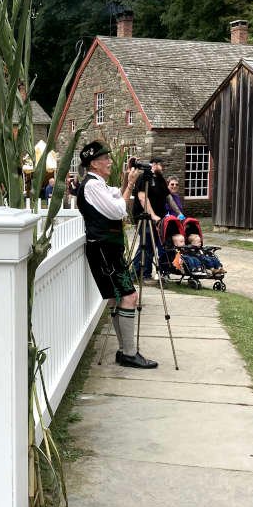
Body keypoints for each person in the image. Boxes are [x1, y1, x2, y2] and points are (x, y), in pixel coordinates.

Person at [77, 141, 157, 369]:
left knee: (117, 297)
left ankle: (125, 351)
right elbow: (118, 211)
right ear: (94, 163)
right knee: (130, 297)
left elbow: (114, 197)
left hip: (106, 248)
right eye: (105, 159)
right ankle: (129, 353)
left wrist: (125, 183)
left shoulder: (98, 185)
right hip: (104, 250)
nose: (110, 162)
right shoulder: (92, 186)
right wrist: (130, 185)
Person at [132, 157, 184, 282]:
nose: (163, 168)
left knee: (155, 243)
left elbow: (169, 198)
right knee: (147, 243)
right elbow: (142, 198)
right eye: (161, 165)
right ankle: (141, 273)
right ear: (154, 165)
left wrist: (179, 213)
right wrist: (153, 215)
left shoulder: (160, 179)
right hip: (144, 217)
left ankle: (141, 272)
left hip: (159, 219)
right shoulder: (143, 178)